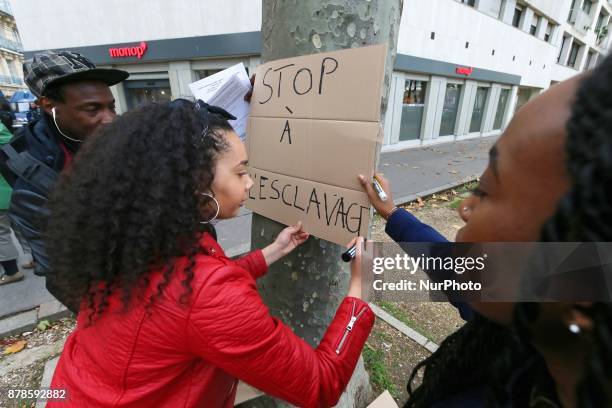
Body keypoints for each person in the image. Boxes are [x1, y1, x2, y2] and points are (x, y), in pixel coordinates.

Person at [44, 99, 374, 408]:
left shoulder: (133, 244)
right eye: (241, 172)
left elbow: (187, 298)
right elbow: (321, 385)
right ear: (197, 182)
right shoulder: (205, 291)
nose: (250, 184)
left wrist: (273, 251)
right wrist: (359, 290)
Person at [359, 59, 612, 406]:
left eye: (489, 189)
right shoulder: (523, 327)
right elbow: (451, 266)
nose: (464, 208)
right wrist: (391, 212)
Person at [0, 51, 128, 305]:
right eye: (93, 109)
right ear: (49, 106)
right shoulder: (33, 175)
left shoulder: (111, 136)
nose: (110, 119)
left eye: (111, 106)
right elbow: (61, 274)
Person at [0, 120, 21, 285]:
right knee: (20, 226)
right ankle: (33, 259)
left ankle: (11, 271)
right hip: (14, 187)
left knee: (1, 234)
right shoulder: (4, 133)